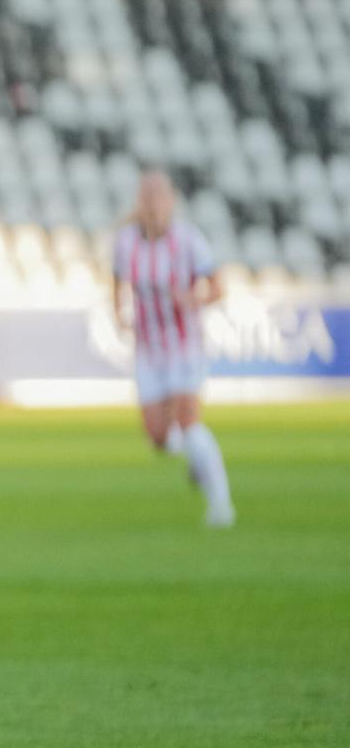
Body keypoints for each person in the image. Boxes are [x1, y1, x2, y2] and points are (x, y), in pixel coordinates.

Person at [112, 169, 233, 527]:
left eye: (158, 196)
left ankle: (221, 504)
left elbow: (217, 287)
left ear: (171, 201)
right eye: (146, 197)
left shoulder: (188, 241)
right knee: (158, 436)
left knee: (188, 418)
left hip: (184, 344)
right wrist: (118, 313)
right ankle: (198, 458)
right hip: (148, 348)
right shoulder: (126, 243)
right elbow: (116, 279)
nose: (152, 204)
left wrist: (193, 299)